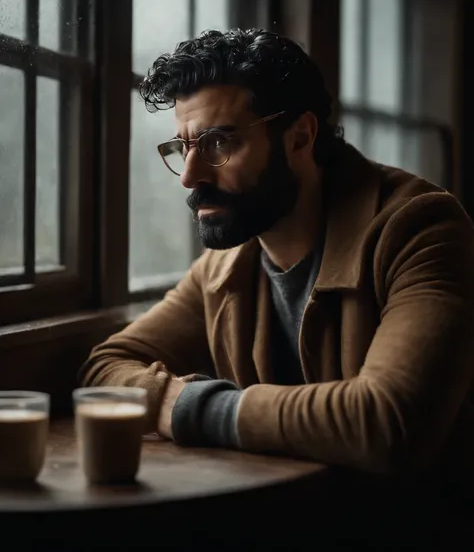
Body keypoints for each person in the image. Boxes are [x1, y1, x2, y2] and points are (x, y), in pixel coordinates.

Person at [80, 28, 474, 479]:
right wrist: (175, 400)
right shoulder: (226, 264)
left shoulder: (420, 228)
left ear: (300, 137)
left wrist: (189, 407)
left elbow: (390, 422)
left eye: (218, 142)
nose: (189, 176)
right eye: (184, 146)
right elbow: (104, 367)